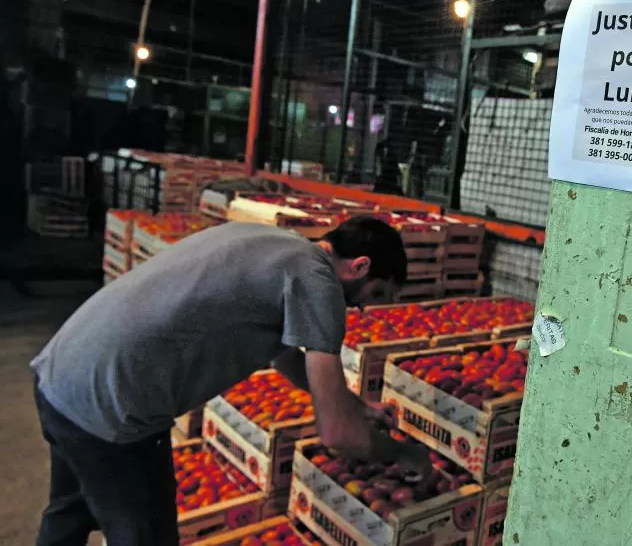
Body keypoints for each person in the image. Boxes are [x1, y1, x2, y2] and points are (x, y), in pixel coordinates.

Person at [30, 216, 431, 546]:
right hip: (113, 408)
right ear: (359, 266)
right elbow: (338, 434)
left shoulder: (277, 243)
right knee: (145, 534)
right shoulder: (320, 283)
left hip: (61, 371)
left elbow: (286, 356)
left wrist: (357, 405)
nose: (359, 307)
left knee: (68, 512)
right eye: (372, 293)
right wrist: (403, 454)